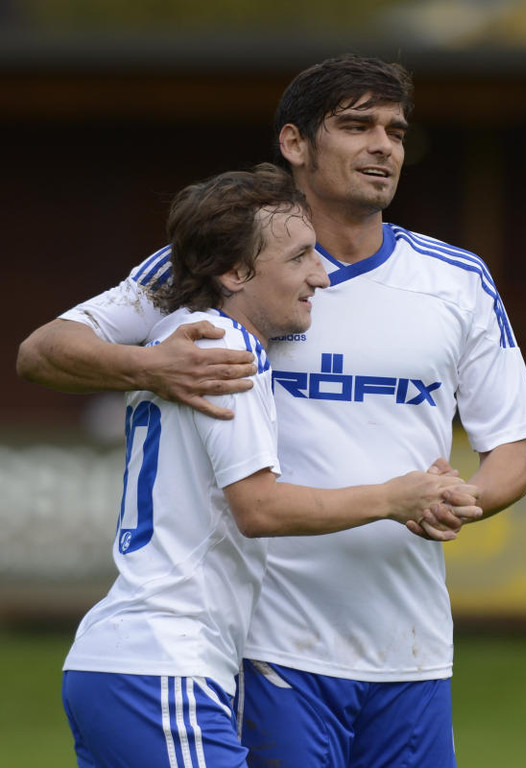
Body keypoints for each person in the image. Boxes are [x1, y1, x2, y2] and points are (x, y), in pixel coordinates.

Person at [17, 56, 526, 767]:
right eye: (356, 126)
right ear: (295, 143)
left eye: (395, 131)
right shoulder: (223, 269)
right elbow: (44, 351)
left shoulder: (457, 280)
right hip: (265, 652)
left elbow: (512, 451)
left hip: (412, 649)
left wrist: (458, 501)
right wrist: (151, 366)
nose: (382, 146)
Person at [57, 162, 481, 768]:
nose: (322, 275)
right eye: (300, 256)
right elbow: (259, 508)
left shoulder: (177, 338)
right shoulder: (226, 347)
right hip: (164, 663)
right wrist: (396, 496)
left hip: (132, 662)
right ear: (234, 272)